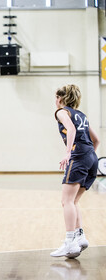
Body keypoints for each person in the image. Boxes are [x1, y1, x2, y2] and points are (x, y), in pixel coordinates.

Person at [50, 84, 99, 258]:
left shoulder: (62, 112)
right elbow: (97, 140)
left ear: (61, 99)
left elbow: (70, 129)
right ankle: (80, 236)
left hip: (79, 158)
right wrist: (89, 155)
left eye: (56, 97)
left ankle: (69, 242)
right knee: (74, 200)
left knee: (66, 201)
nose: (55, 100)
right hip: (92, 158)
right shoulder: (82, 115)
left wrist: (68, 153)